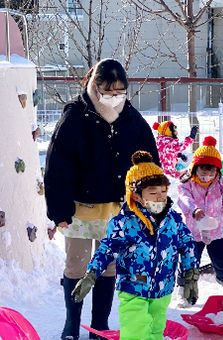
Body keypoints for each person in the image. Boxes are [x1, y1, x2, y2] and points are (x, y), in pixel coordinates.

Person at [44, 58, 160, 340]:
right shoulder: (75, 117)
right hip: (80, 209)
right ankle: (72, 324)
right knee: (77, 265)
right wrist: (59, 210)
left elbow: (150, 166)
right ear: (95, 87)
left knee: (108, 266)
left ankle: (99, 325)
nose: (115, 97)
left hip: (116, 208)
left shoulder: (132, 120)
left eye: (120, 91)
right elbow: (57, 167)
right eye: (109, 91)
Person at [71, 151, 199, 339]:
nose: (160, 198)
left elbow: (186, 245)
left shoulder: (173, 220)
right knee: (136, 332)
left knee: (156, 331)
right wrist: (91, 274)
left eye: (163, 192)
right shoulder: (125, 223)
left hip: (163, 288)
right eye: (153, 193)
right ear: (137, 196)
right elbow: (107, 249)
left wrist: (190, 274)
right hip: (133, 287)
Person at [177, 136, 223, 295]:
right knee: (189, 260)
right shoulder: (187, 184)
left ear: (218, 170)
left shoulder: (222, 185)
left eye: (212, 169)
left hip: (218, 231)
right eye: (203, 168)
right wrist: (194, 210)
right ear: (195, 168)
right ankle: (184, 287)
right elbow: (184, 199)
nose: (207, 173)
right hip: (193, 231)